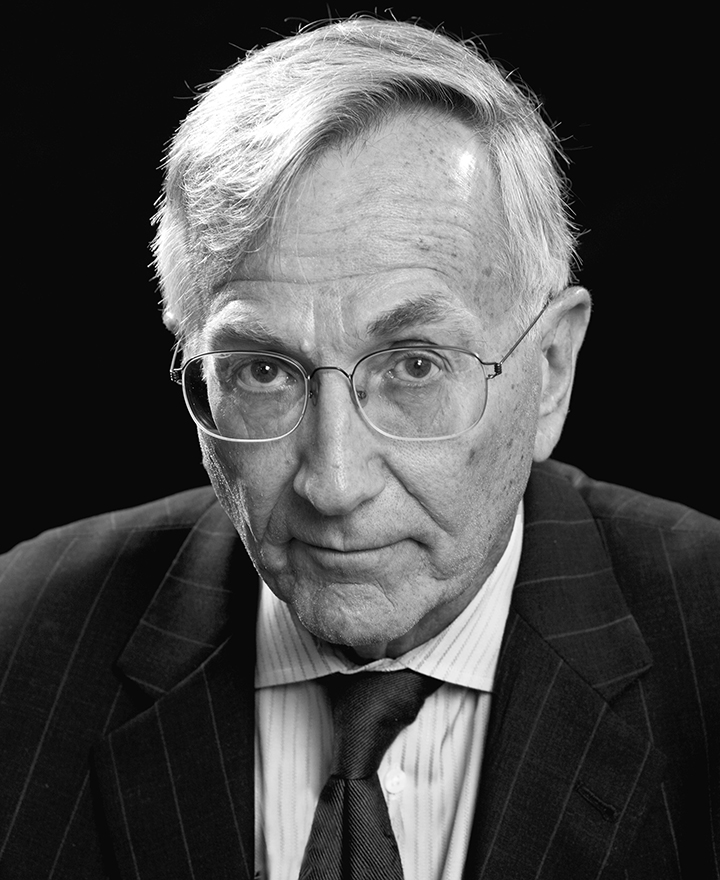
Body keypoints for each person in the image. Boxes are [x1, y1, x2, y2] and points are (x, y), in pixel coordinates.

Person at [1, 17, 717, 880]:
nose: (333, 484)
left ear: (552, 370)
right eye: (263, 371)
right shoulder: (21, 648)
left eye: (415, 365)